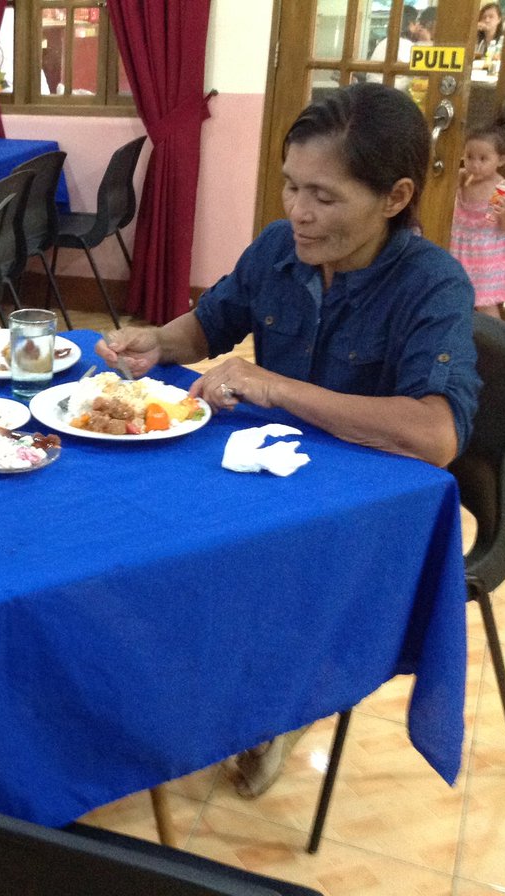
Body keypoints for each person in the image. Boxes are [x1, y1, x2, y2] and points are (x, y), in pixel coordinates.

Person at [97, 82, 480, 798]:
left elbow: (436, 435)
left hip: (362, 512)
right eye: (290, 186)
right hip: (271, 480)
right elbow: (208, 325)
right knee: (143, 533)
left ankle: (284, 696)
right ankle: (183, 703)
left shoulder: (434, 285)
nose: (298, 213)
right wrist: (157, 340)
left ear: (395, 197)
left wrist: (274, 388)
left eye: (325, 197)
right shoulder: (281, 247)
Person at [450, 123, 505, 318]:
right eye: (469, 157)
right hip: (459, 248)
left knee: (485, 303)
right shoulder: (462, 179)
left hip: (485, 255)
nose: (475, 164)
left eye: (483, 159)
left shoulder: (500, 189)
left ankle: (495, 341)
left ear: (501, 160)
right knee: (455, 295)